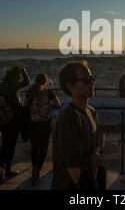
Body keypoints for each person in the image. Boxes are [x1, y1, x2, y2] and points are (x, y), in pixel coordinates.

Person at [51, 61, 102, 190]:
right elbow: (74, 172)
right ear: (70, 86)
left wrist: (94, 153)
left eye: (91, 78)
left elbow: (93, 146)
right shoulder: (68, 117)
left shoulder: (92, 112)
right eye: (86, 80)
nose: (91, 83)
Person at [0, 66, 30, 181]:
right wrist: (24, 71)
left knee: (5, 142)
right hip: (14, 117)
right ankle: (7, 169)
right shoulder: (13, 86)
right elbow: (27, 82)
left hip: (2, 117)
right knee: (11, 143)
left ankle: (0, 169)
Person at [25, 73, 61, 185]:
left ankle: (34, 167)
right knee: (44, 146)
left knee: (35, 146)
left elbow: (26, 105)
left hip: (33, 123)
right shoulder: (48, 92)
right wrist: (50, 106)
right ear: (45, 82)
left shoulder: (30, 91)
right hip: (45, 123)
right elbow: (58, 104)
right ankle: (38, 168)